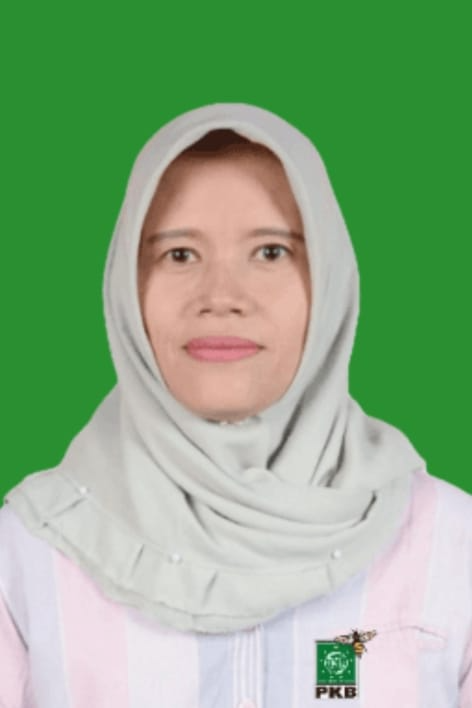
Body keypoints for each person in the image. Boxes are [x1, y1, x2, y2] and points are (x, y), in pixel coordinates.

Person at [0, 102, 470, 707]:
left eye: (271, 251)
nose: (221, 296)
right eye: (179, 254)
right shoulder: (29, 555)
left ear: (329, 283)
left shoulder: (450, 547)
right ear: (126, 289)